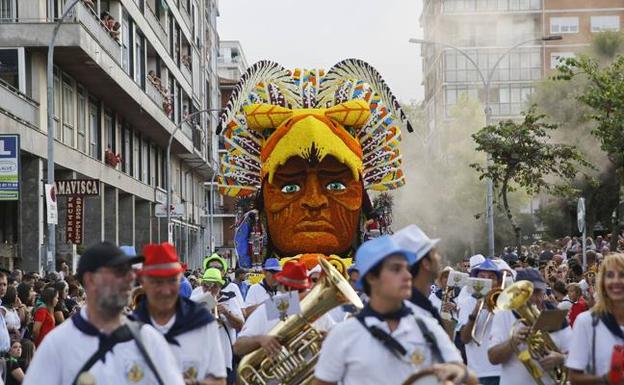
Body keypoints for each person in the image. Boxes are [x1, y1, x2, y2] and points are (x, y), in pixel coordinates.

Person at [314, 235, 475, 385]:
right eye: (396, 269)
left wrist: (459, 371)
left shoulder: (426, 325)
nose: (407, 275)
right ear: (371, 278)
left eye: (407, 268)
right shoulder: (343, 334)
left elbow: (470, 378)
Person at [23, 241, 185, 385]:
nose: (131, 277)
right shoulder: (57, 345)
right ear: (91, 280)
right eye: (119, 272)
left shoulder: (149, 339)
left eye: (130, 271)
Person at [132, 242, 227, 385]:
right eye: (157, 281)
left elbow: (218, 380)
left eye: (171, 280)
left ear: (179, 280)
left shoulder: (202, 321)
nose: (165, 289)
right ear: (143, 283)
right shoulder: (129, 327)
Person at [233, 260, 334, 357]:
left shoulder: (316, 308)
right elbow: (238, 347)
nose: (298, 296)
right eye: (295, 290)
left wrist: (329, 337)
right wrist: (260, 340)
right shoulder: (271, 307)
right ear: (286, 288)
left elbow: (340, 336)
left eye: (301, 290)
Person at [488, 269, 571, 385]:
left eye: (538, 292)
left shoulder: (557, 315)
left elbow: (576, 356)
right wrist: (512, 342)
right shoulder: (503, 315)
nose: (534, 298)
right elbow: (493, 358)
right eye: (527, 293)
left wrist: (560, 358)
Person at [567, 253, 624, 384]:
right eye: (610, 275)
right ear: (603, 283)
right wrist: (605, 379)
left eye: (622, 275)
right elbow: (574, 378)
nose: (616, 280)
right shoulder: (586, 322)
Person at [191, 268, 244, 384]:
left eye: (214, 286)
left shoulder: (229, 299)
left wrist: (227, 313)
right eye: (206, 285)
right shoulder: (195, 300)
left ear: (220, 286)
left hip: (223, 359)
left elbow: (240, 325)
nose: (210, 289)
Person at [458, 259, 502, 385]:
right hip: (479, 373)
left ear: (497, 282)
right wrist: (476, 311)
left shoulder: (505, 302)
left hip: (503, 371)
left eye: (491, 277)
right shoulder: (467, 302)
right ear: (475, 281)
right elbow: (464, 339)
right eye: (482, 277)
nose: (486, 281)